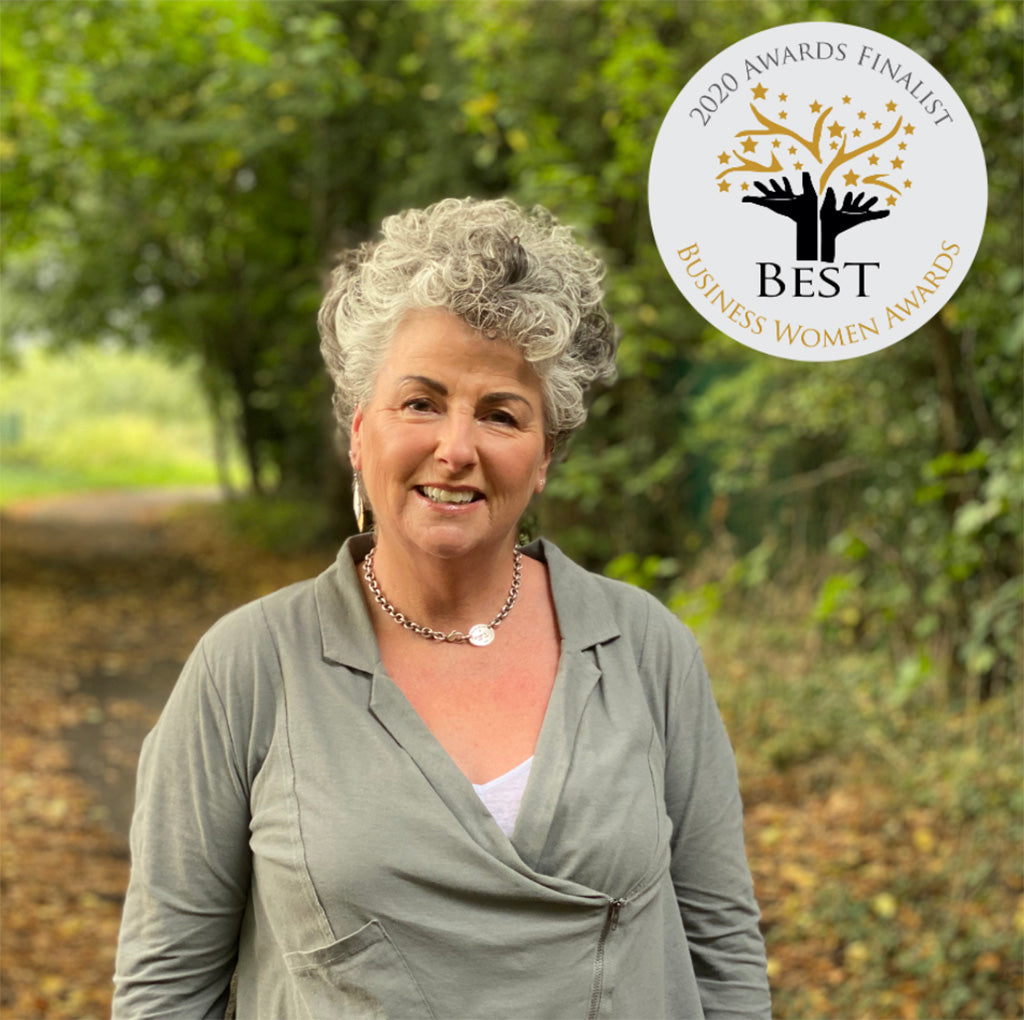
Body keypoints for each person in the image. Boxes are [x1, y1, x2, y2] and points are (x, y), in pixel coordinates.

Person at [113, 197, 772, 1019]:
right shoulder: (248, 668)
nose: (455, 448)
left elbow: (724, 957)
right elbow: (166, 989)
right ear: (360, 432)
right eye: (420, 403)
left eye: (500, 413)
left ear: (543, 459)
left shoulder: (646, 649)